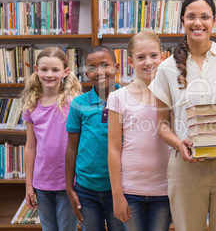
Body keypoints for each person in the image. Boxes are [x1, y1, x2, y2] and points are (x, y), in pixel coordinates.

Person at [148, 0, 216, 231]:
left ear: (214, 20)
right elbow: (162, 124)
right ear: (183, 21)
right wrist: (178, 143)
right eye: (191, 17)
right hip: (187, 166)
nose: (198, 23)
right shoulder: (166, 68)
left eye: (204, 17)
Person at [108, 31, 172, 231]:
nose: (148, 62)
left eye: (154, 55)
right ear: (130, 61)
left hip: (164, 190)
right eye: (141, 57)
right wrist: (117, 195)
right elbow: (114, 148)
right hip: (130, 191)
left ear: (163, 57)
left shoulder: (172, 95)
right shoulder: (118, 97)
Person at [22, 47, 81, 231]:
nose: (49, 74)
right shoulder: (32, 105)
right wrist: (29, 185)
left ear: (66, 71)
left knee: (66, 228)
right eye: (44, 69)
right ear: (36, 70)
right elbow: (30, 147)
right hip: (42, 182)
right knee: (48, 228)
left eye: (55, 70)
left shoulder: (73, 103)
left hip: (69, 182)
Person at [65, 46, 124, 231]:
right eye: (91, 68)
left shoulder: (128, 100)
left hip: (120, 188)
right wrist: (69, 187)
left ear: (117, 67)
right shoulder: (79, 104)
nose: (98, 72)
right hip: (86, 189)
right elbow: (71, 147)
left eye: (105, 65)